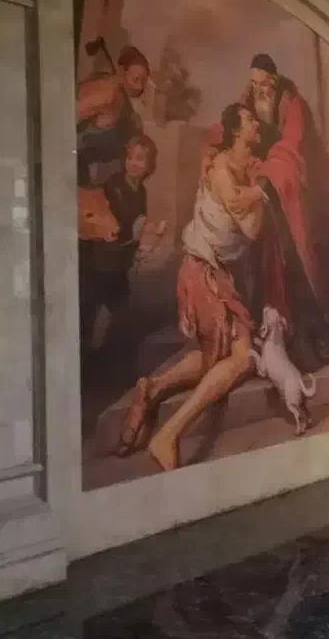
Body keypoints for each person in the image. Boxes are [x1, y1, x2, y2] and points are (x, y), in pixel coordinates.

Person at [118, 103, 265, 472]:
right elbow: (245, 219)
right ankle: (168, 434)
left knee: (218, 357)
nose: (256, 123)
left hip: (214, 273)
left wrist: (255, 187)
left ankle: (152, 387)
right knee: (241, 358)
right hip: (202, 273)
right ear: (236, 131)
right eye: (250, 119)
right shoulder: (222, 170)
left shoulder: (236, 169)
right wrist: (260, 191)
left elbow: (248, 228)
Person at [209, 53, 329, 369]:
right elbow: (228, 126)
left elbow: (290, 148)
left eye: (263, 84)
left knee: (298, 260)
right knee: (265, 262)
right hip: (268, 189)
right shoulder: (250, 98)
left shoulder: (292, 104)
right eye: (254, 83)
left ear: (274, 80)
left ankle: (318, 337)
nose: (258, 90)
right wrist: (214, 151)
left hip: (296, 192)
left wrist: (262, 186)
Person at [79, 133, 166, 350]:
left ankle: (105, 348)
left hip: (119, 260)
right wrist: (142, 229)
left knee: (116, 307)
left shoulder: (141, 191)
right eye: (130, 157)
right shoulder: (114, 185)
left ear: (149, 165)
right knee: (95, 306)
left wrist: (145, 237)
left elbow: (138, 223)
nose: (133, 163)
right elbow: (116, 223)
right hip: (102, 259)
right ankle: (92, 349)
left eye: (140, 159)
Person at [76, 44, 151, 186]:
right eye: (136, 80)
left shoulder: (124, 103)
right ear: (122, 72)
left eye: (143, 82)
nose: (139, 87)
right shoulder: (108, 92)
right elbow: (69, 117)